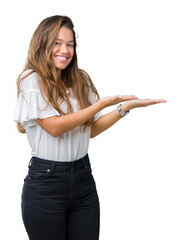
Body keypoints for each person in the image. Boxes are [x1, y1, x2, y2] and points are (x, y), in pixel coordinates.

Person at [14, 15, 166, 240]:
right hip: (46, 183)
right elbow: (54, 128)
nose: (64, 50)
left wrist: (124, 108)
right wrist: (100, 104)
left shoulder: (80, 79)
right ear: (42, 43)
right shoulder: (31, 79)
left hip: (83, 180)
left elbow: (90, 130)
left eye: (70, 44)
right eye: (57, 43)